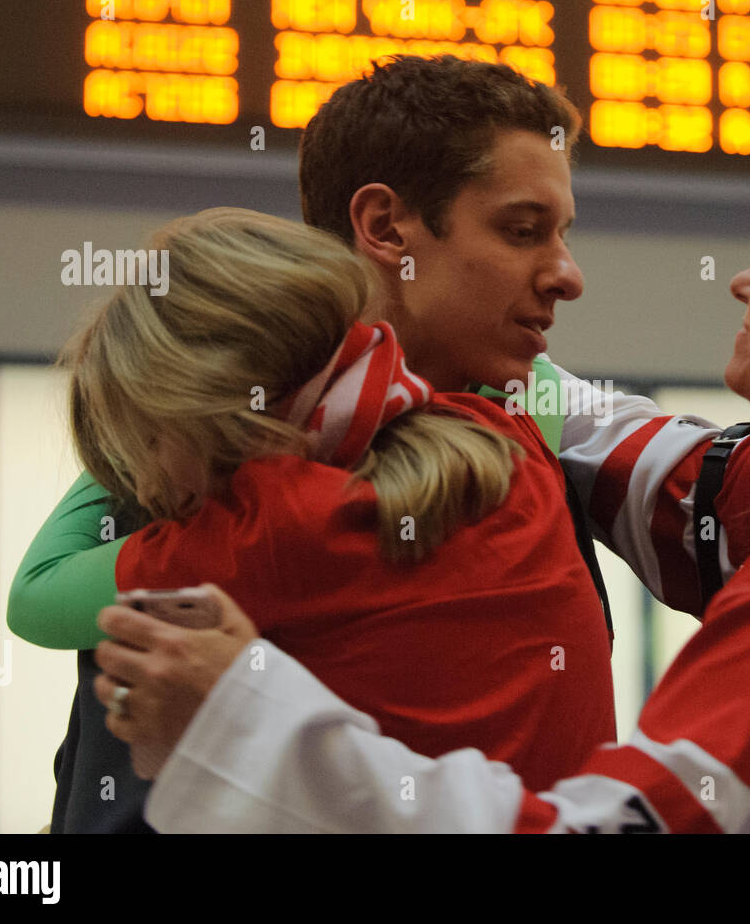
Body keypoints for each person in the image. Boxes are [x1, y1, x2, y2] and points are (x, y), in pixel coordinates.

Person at [98, 123, 750, 832]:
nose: (744, 282)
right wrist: (427, 358)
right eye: (521, 229)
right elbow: (635, 449)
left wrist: (239, 715)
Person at [59, 207, 616, 798]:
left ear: (210, 410)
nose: (143, 490)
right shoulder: (510, 439)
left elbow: (43, 588)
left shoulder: (268, 527)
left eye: (147, 443)